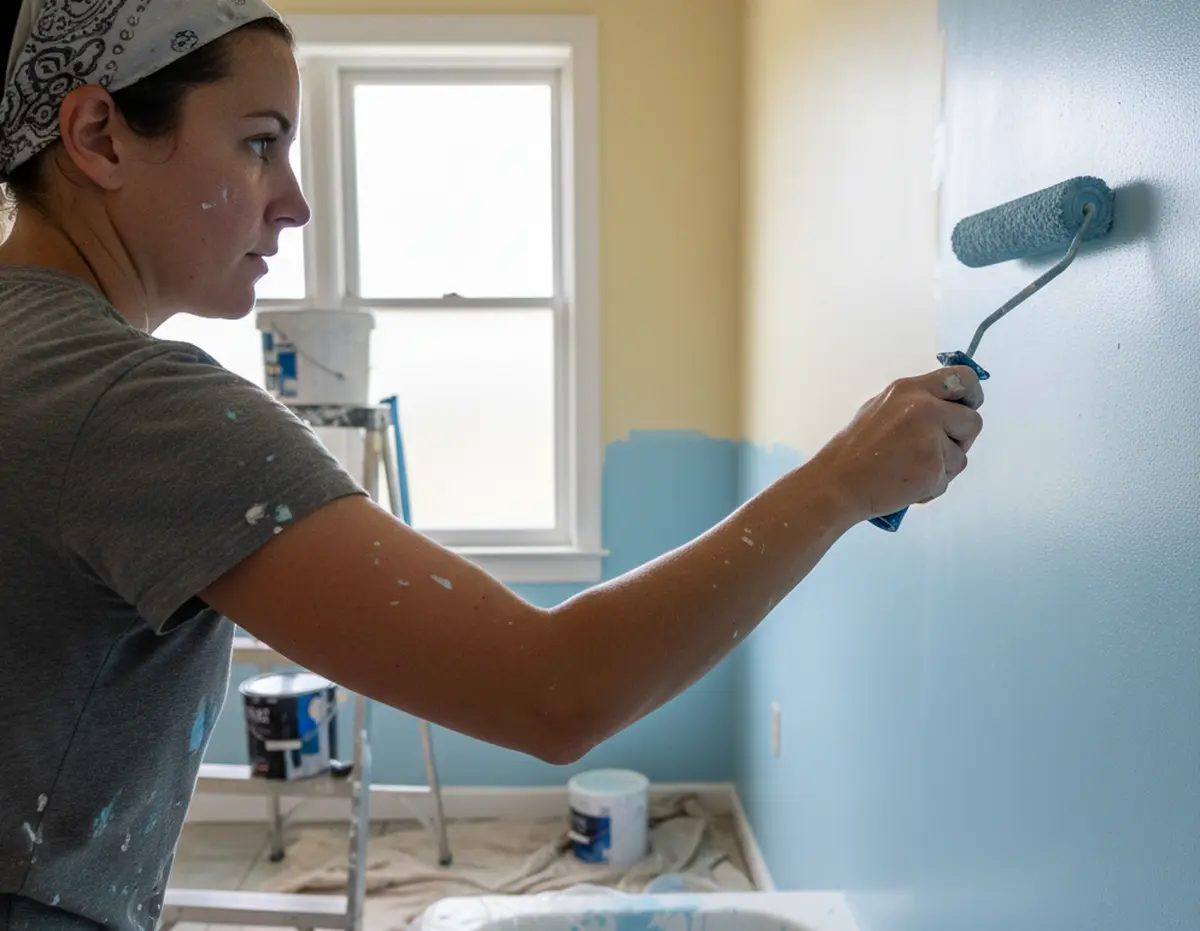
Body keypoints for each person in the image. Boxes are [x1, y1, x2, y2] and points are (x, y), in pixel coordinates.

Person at [0, 0, 984, 927]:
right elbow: (554, 690)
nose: (294, 203)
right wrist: (844, 477)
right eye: (260, 143)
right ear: (98, 136)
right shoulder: (129, 405)